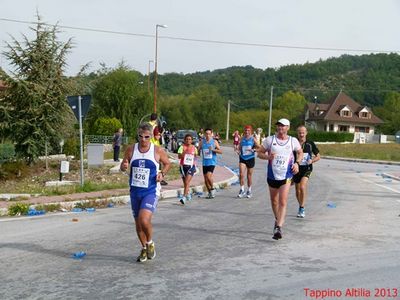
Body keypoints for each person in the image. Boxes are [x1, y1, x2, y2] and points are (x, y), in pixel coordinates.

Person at [120, 122, 171, 262]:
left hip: (151, 190)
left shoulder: (157, 150)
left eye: (147, 137)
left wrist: (162, 174)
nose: (143, 139)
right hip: (135, 191)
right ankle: (143, 248)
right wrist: (124, 166)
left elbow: (167, 164)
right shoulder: (131, 149)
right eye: (140, 136)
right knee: (138, 224)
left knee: (144, 219)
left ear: (151, 136)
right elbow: (123, 167)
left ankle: (150, 243)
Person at [258, 118, 303, 240]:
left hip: (286, 175)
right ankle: (277, 219)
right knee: (274, 202)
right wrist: (268, 157)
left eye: (283, 126)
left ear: (288, 128)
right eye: (278, 126)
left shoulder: (292, 141)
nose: (280, 128)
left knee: (283, 201)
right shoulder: (270, 140)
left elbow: (300, 152)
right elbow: (259, 153)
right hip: (272, 175)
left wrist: (297, 163)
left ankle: (278, 227)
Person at [293, 125, 320, 218]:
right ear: (297, 133)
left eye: (303, 132)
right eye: (300, 132)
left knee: (302, 186)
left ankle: (302, 207)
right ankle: (301, 205)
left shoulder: (310, 143)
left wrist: (311, 160)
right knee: (297, 191)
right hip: (296, 169)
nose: (301, 134)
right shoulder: (294, 143)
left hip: (307, 168)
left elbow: (318, 156)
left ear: (306, 133)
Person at [198, 128, 222, 199]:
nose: (208, 135)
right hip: (205, 163)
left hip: (212, 162)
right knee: (205, 180)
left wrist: (213, 150)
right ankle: (209, 193)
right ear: (205, 134)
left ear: (212, 134)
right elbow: (198, 150)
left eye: (209, 134)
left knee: (208, 177)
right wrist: (197, 152)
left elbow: (220, 151)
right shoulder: (202, 142)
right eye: (206, 134)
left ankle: (212, 189)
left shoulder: (214, 141)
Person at [236, 125, 260, 198]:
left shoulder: (253, 139)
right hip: (242, 158)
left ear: (251, 131)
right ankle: (242, 189)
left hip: (250, 158)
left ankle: (249, 190)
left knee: (249, 176)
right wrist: (238, 151)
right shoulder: (242, 139)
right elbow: (239, 148)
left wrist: (254, 150)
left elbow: (260, 148)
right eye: (246, 130)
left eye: (248, 130)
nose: (247, 132)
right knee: (241, 174)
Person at [177, 133, 198, 204]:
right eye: (187, 139)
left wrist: (194, 157)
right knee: (185, 183)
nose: (188, 141)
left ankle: (184, 197)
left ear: (192, 140)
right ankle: (188, 193)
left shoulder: (194, 148)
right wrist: (185, 152)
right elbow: (179, 157)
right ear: (184, 140)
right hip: (183, 167)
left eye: (189, 139)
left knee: (187, 182)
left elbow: (196, 156)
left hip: (191, 167)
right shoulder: (182, 147)